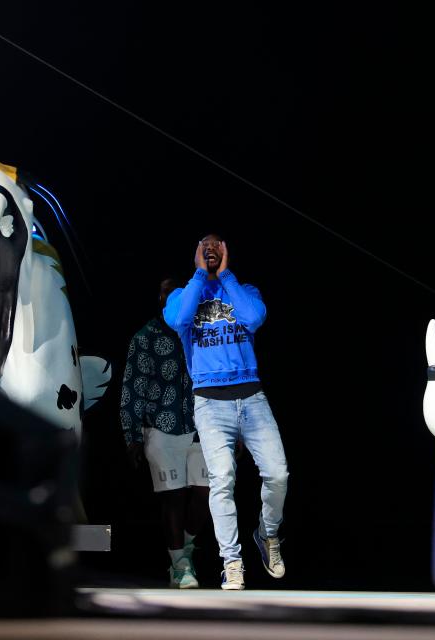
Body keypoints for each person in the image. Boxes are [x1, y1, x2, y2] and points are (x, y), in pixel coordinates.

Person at [163, 234, 288, 591]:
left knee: (278, 473)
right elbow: (179, 320)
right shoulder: (182, 295)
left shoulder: (243, 289)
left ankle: (267, 533)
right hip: (210, 402)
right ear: (196, 254)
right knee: (221, 481)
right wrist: (200, 275)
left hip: (251, 396)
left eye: (218, 247)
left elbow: (255, 317)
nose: (212, 252)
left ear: (228, 253)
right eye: (206, 248)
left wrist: (227, 274)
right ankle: (231, 563)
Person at [120, 278, 211, 589]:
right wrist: (132, 435)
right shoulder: (146, 337)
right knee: (172, 497)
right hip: (161, 427)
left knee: (205, 494)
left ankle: (184, 550)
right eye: (166, 292)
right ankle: (180, 566)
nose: (171, 297)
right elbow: (132, 387)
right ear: (160, 299)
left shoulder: (201, 332)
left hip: (202, 426)